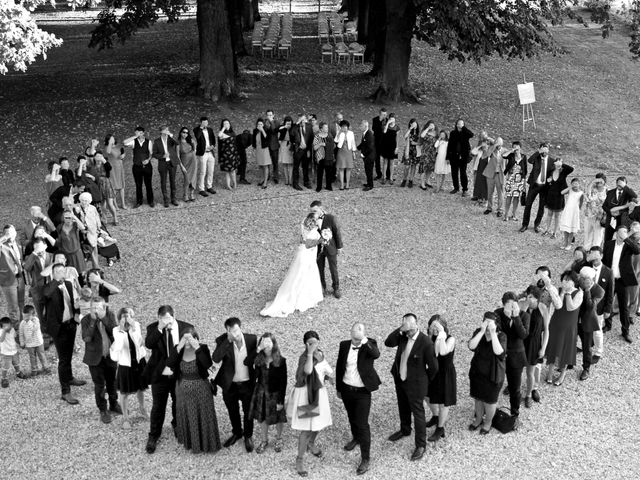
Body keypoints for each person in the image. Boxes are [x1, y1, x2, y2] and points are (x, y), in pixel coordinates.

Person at [385, 313, 438, 461]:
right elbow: (388, 342)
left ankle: (421, 445)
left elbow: (434, 367)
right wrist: (400, 329)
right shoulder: (402, 336)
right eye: (405, 325)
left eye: (410, 325)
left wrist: (424, 380)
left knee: (418, 414)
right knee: (403, 406)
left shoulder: (425, 342)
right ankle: (405, 429)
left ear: (417, 324)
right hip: (400, 379)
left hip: (416, 384)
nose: (408, 328)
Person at [143, 305, 193, 454]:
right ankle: (154, 435)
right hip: (160, 374)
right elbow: (149, 344)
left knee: (178, 402)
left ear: (174, 316)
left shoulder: (187, 327)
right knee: (158, 405)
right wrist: (160, 328)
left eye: (168, 319)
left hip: (178, 373)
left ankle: (177, 425)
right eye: (162, 319)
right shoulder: (153, 327)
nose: (166, 322)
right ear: (158, 318)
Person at [335, 322, 381, 475]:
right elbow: (339, 366)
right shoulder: (343, 345)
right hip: (347, 389)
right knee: (351, 417)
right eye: (353, 338)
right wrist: (339, 388)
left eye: (358, 339)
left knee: (362, 423)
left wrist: (364, 341)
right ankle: (356, 438)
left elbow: (376, 354)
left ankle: (365, 458)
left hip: (362, 392)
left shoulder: (369, 344)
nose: (355, 341)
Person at [286, 330, 333, 477]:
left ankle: (311, 444)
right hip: (307, 395)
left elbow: (322, 372)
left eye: (315, 342)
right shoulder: (304, 357)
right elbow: (307, 371)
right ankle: (299, 459)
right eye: (310, 343)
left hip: (319, 394)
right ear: (306, 344)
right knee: (306, 429)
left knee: (319, 424)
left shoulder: (321, 355)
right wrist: (310, 353)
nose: (313, 345)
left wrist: (329, 379)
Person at [168, 328, 221, 454]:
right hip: (182, 390)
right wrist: (179, 347)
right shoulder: (178, 349)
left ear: (196, 338)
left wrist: (197, 348)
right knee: (188, 415)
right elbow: (169, 363)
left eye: (190, 338)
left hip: (201, 389)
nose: (187, 342)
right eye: (184, 339)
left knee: (203, 415)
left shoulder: (202, 348)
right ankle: (192, 443)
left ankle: (207, 443)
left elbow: (208, 364)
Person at [260, 213, 324, 317]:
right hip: (306, 254)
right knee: (303, 275)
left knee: (301, 275)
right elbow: (308, 244)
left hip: (304, 253)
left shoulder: (304, 224)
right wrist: (320, 240)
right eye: (316, 219)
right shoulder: (312, 231)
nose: (318, 220)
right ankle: (302, 298)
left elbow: (302, 240)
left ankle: (304, 296)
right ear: (313, 221)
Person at [212, 317, 258, 452]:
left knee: (248, 411)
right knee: (233, 411)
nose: (235, 334)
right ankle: (237, 432)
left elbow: (256, 357)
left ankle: (248, 436)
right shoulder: (222, 341)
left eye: (236, 330)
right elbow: (216, 358)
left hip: (247, 383)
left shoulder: (251, 339)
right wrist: (228, 341)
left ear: (240, 328)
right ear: (227, 331)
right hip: (230, 384)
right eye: (231, 332)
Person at [44, 263, 84, 404]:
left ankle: (70, 377)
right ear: (54, 273)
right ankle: (65, 391)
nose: (63, 273)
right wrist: (56, 281)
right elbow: (45, 295)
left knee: (68, 355)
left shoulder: (68, 284)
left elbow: (75, 301)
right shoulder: (50, 287)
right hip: (58, 328)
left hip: (70, 324)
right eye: (59, 271)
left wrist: (77, 315)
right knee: (63, 359)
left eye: (63, 271)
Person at [81, 297, 121, 424]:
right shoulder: (86, 319)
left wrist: (103, 319)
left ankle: (114, 404)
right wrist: (93, 321)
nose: (95, 310)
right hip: (95, 359)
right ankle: (103, 409)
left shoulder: (110, 315)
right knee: (99, 385)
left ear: (104, 307)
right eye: (93, 307)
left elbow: (115, 333)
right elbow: (86, 338)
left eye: (98, 307)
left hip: (109, 356)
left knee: (112, 382)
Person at [467, 312, 506, 434]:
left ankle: (488, 422)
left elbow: (499, 352)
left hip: (493, 374)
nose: (488, 325)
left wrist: (493, 334)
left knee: (489, 401)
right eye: (486, 321)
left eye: (490, 322)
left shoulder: (501, 335)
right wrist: (481, 332)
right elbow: (471, 346)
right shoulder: (479, 332)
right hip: (478, 373)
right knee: (478, 398)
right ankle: (478, 419)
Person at [109, 307, 148, 429]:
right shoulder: (116, 330)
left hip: (138, 362)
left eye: (129, 316)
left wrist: (134, 328)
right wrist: (121, 330)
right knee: (124, 392)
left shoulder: (136, 325)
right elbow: (119, 346)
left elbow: (139, 342)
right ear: (119, 319)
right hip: (126, 365)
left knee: (141, 388)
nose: (127, 319)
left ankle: (142, 408)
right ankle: (125, 417)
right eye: (124, 317)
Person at [249, 333, 288, 454]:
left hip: (275, 394)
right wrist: (257, 350)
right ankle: (264, 440)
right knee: (262, 419)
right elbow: (247, 362)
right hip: (261, 393)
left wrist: (280, 401)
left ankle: (279, 438)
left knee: (279, 418)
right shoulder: (258, 359)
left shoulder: (281, 361)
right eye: (264, 342)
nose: (266, 345)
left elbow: (283, 382)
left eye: (269, 342)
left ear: (274, 344)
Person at [545, 270, 584, 385]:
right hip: (556, 322)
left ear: (574, 282)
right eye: (564, 279)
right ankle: (550, 372)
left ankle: (562, 374)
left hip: (569, 325)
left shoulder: (579, 293)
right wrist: (562, 293)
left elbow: (571, 307)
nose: (565, 282)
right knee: (553, 346)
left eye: (568, 280)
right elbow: (558, 306)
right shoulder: (559, 290)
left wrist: (567, 294)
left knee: (566, 349)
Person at [602, 224, 640, 343]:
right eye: (622, 231)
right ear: (617, 232)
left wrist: (627, 238)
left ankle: (625, 331)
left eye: (626, 231)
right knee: (607, 302)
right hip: (610, 279)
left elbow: (637, 250)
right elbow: (604, 261)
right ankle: (608, 325)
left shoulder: (628, 246)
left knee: (624, 307)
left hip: (622, 281)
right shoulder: (609, 244)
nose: (624, 232)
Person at [495, 292, 529, 418]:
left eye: (514, 305)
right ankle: (489, 410)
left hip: (516, 356)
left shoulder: (524, 316)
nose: (512, 308)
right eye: (509, 306)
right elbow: (496, 332)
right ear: (503, 305)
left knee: (515, 388)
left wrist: (516, 318)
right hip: (499, 356)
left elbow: (523, 335)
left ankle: (515, 413)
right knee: (495, 384)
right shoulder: (497, 313)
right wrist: (505, 316)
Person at [425, 315, 456, 442]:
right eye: (433, 326)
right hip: (432, 371)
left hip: (445, 373)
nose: (435, 329)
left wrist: (441, 335)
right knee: (426, 396)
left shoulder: (450, 339)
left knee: (443, 402)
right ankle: (435, 416)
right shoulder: (429, 338)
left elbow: (443, 352)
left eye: (438, 326)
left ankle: (440, 428)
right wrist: (430, 336)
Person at [522, 286, 549, 407]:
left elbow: (547, 330)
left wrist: (543, 348)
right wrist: (524, 307)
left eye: (531, 297)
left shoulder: (543, 308)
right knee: (516, 370)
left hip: (534, 343)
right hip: (521, 342)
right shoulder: (523, 306)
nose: (528, 299)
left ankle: (528, 395)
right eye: (527, 296)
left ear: (537, 298)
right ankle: (515, 390)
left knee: (530, 372)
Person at [311, 200, 343, 299]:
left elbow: (337, 232)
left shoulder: (331, 218)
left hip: (330, 247)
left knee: (333, 268)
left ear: (321, 208)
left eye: (315, 210)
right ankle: (322, 287)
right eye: (312, 211)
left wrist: (339, 246)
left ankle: (336, 288)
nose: (313, 213)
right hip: (318, 248)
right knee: (320, 269)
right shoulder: (312, 220)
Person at [519, 143, 555, 233]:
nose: (545, 151)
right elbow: (530, 160)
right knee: (528, 204)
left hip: (544, 186)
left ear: (548, 150)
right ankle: (525, 224)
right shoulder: (537, 158)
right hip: (534, 185)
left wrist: (551, 178)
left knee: (541, 207)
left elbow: (552, 172)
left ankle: (537, 225)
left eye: (546, 149)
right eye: (543, 149)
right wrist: (538, 152)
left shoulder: (551, 161)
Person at [577, 266, 604, 381]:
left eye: (584, 278)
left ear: (591, 279)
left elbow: (590, 306)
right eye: (581, 278)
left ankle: (586, 368)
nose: (581, 280)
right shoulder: (577, 283)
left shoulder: (599, 291)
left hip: (587, 321)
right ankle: (568, 363)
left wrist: (587, 290)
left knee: (586, 346)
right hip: (574, 319)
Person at [588, 246, 614, 362]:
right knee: (583, 327)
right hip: (585, 305)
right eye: (591, 255)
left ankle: (598, 351)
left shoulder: (608, 272)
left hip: (599, 307)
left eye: (596, 255)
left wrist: (608, 309)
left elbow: (610, 292)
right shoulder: (585, 268)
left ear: (601, 256)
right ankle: (584, 345)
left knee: (597, 330)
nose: (594, 258)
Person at [541, 158, 574, 239]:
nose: (559, 165)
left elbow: (571, 169)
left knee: (557, 215)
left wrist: (561, 164)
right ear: (554, 163)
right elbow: (546, 183)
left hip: (559, 197)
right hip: (550, 195)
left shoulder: (563, 172)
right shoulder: (550, 172)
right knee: (549, 214)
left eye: (560, 163)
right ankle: (547, 230)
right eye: (557, 163)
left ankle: (554, 232)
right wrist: (548, 182)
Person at [0, 225, 25, 330]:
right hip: (8, 279)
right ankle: (16, 328)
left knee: (21, 303)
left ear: (15, 232)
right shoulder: (2, 246)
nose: (10, 235)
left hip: (20, 277)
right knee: (13, 307)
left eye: (12, 232)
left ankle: (23, 324)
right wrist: (3, 238)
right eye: (7, 233)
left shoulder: (18, 244)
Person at [123, 126, 155, 208]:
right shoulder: (133, 141)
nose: (138, 134)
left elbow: (151, 153)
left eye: (139, 132)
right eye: (136, 133)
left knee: (148, 184)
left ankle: (150, 201)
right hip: (137, 166)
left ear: (143, 133)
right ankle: (139, 201)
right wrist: (135, 136)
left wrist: (148, 160)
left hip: (147, 166)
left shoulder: (149, 142)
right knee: (138, 185)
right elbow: (124, 143)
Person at [602, 176, 636, 242]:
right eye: (618, 183)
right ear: (616, 183)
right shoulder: (610, 192)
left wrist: (625, 187)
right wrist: (610, 212)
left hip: (622, 220)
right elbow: (604, 206)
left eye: (622, 184)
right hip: (610, 220)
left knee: (621, 240)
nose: (620, 185)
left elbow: (635, 196)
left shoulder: (628, 193)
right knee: (607, 240)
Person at [19, 305, 51, 376]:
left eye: (27, 316)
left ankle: (46, 367)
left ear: (33, 315)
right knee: (32, 357)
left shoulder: (36, 321)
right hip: (29, 344)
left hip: (38, 343)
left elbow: (33, 329)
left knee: (42, 355)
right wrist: (22, 342)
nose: (25, 318)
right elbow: (21, 334)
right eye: (24, 316)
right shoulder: (22, 323)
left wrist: (29, 321)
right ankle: (34, 370)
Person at [152, 126, 179, 207]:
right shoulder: (157, 141)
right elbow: (154, 154)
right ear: (161, 131)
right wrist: (162, 156)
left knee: (173, 181)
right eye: (166, 130)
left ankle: (173, 199)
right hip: (163, 164)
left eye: (168, 129)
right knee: (163, 182)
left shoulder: (170, 139)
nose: (168, 131)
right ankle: (166, 200)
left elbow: (177, 144)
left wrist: (171, 136)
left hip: (172, 163)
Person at [446, 118, 474, 196]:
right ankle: (456, 187)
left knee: (463, 173)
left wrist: (463, 128)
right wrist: (447, 157)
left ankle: (464, 189)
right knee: (454, 173)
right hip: (454, 156)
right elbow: (450, 145)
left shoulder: (465, 133)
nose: (460, 125)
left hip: (463, 156)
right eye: (458, 123)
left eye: (462, 124)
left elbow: (471, 135)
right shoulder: (453, 133)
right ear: (456, 124)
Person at [502, 141, 528, 221]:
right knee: (509, 197)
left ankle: (514, 214)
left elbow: (525, 169)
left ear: (520, 147)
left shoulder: (524, 157)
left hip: (519, 180)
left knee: (516, 198)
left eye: (517, 146)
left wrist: (524, 181)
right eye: (514, 146)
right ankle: (506, 214)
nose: (516, 148)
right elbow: (503, 155)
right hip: (511, 179)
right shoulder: (511, 155)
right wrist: (511, 150)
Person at [0, 316, 28, 387]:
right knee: (5, 366)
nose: (8, 328)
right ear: (1, 327)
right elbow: (1, 339)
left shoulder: (12, 330)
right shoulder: (1, 332)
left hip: (14, 351)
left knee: (16, 363)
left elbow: (15, 337)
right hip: (6, 353)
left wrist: (20, 342)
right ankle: (4, 378)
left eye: (9, 325)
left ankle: (18, 372)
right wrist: (4, 331)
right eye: (5, 326)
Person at [193, 116, 217, 197]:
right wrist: (201, 127)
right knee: (202, 171)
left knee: (211, 170)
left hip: (210, 152)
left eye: (206, 122)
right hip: (202, 153)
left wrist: (213, 146)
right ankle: (201, 189)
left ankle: (209, 186)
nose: (205, 124)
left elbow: (213, 139)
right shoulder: (196, 130)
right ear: (201, 122)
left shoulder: (210, 129)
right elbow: (198, 136)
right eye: (204, 122)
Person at [93, 151, 119, 224]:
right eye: (97, 156)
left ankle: (115, 217)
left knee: (110, 204)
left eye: (100, 156)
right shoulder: (93, 165)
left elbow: (109, 168)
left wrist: (103, 160)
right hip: (98, 185)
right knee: (102, 204)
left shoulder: (105, 163)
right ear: (94, 157)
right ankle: (104, 219)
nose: (98, 158)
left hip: (106, 184)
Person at [290, 113, 314, 191]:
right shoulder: (295, 127)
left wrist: (309, 150)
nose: (303, 121)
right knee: (296, 167)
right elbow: (291, 134)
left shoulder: (309, 126)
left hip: (306, 150)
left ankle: (306, 182)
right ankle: (295, 183)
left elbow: (311, 139)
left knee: (306, 167)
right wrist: (297, 123)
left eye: (304, 119)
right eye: (301, 119)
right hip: (298, 150)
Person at [482, 137, 505, 217]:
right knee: (490, 192)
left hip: (500, 174)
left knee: (500, 193)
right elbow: (486, 155)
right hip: (491, 173)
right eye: (497, 143)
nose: (499, 145)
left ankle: (500, 210)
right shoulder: (492, 149)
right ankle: (489, 207)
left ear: (502, 144)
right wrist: (494, 146)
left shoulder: (505, 151)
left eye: (500, 143)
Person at [559, 178, 584, 250]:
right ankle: (565, 243)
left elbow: (581, 204)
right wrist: (570, 187)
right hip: (567, 211)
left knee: (572, 229)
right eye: (573, 183)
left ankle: (569, 244)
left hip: (574, 212)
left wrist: (578, 211)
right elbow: (562, 192)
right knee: (566, 228)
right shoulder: (570, 190)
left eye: (577, 183)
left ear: (579, 184)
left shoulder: (581, 193)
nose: (575, 185)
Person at [583, 175, 607, 249]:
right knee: (588, 233)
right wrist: (593, 181)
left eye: (601, 181)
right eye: (597, 181)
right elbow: (587, 195)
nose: (599, 183)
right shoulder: (592, 189)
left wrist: (604, 214)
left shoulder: (607, 190)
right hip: (590, 214)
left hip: (600, 216)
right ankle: (586, 249)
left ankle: (595, 250)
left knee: (598, 235)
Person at [104, 134, 127, 210]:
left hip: (120, 167)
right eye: (110, 139)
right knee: (113, 186)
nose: (112, 140)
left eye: (113, 139)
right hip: (112, 168)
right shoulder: (107, 147)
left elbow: (121, 154)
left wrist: (123, 155)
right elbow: (108, 151)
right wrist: (110, 142)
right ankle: (115, 204)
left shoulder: (118, 146)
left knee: (121, 186)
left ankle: (123, 203)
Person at [218, 119, 241, 191]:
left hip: (233, 154)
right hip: (225, 155)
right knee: (227, 171)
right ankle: (228, 185)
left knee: (233, 170)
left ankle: (234, 184)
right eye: (224, 123)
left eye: (227, 123)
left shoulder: (232, 133)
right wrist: (224, 128)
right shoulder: (222, 133)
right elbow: (219, 135)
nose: (226, 124)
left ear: (230, 124)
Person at [334, 120, 357, 190]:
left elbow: (353, 143)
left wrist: (354, 152)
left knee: (348, 168)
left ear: (348, 127)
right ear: (341, 127)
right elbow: (336, 141)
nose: (345, 128)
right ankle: (341, 185)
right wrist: (339, 133)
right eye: (343, 126)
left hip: (349, 151)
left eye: (346, 126)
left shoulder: (351, 133)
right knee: (341, 168)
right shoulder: (339, 133)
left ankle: (347, 184)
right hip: (341, 152)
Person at [313, 122, 336, 192]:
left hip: (328, 157)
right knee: (320, 173)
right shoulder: (317, 136)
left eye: (327, 127)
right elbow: (314, 148)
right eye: (325, 127)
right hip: (320, 157)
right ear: (321, 129)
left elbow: (334, 146)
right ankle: (319, 187)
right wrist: (321, 144)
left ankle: (328, 186)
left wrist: (328, 145)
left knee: (328, 172)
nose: (327, 129)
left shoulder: (329, 136)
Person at [177, 127, 198, 202]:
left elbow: (195, 149)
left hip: (193, 161)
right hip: (185, 162)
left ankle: (192, 194)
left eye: (186, 133)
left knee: (193, 178)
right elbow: (177, 156)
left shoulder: (190, 140)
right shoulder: (178, 142)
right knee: (187, 179)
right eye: (183, 132)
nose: (185, 134)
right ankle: (185, 195)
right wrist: (181, 166)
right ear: (180, 133)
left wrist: (194, 152)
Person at [400, 119, 421, 188]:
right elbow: (405, 137)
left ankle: (411, 180)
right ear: (410, 124)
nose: (414, 125)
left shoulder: (418, 133)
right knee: (406, 166)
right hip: (408, 151)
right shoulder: (409, 131)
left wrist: (415, 143)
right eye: (413, 124)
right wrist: (410, 128)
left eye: (415, 124)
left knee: (413, 166)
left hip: (416, 151)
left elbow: (421, 142)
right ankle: (404, 179)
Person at [379, 114, 399, 185]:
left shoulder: (397, 127)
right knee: (385, 162)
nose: (391, 120)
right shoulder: (385, 125)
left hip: (393, 146)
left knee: (391, 162)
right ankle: (384, 177)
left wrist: (397, 147)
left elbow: (397, 138)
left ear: (395, 119)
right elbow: (384, 132)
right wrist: (388, 123)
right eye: (390, 118)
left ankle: (391, 177)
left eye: (393, 119)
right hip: (385, 146)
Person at [470, 137, 490, 204]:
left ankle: (485, 199)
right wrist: (480, 146)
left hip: (486, 171)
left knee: (485, 185)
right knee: (478, 184)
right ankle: (479, 198)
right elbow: (472, 152)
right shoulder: (480, 151)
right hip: (478, 170)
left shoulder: (489, 154)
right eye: (483, 145)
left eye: (486, 145)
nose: (484, 147)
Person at [253, 118, 271, 189]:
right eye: (258, 124)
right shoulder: (255, 131)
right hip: (258, 149)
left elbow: (267, 139)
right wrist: (254, 146)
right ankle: (262, 179)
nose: (259, 125)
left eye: (261, 124)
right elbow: (253, 140)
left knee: (265, 165)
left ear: (263, 125)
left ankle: (265, 182)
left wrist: (262, 130)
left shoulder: (267, 130)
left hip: (264, 149)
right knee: (260, 165)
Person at [358, 120, 376, 192]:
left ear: (365, 126)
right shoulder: (364, 133)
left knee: (369, 171)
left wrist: (363, 154)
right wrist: (357, 148)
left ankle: (370, 185)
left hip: (369, 156)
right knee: (367, 170)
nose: (360, 127)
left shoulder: (369, 134)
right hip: (367, 156)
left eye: (361, 126)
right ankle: (368, 183)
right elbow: (363, 143)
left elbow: (370, 147)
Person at [372, 108, 389, 180]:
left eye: (385, 114)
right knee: (377, 159)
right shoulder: (375, 119)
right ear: (380, 114)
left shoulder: (388, 121)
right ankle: (379, 174)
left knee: (386, 159)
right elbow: (374, 129)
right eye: (382, 114)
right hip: (377, 142)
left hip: (385, 142)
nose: (384, 116)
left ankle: (387, 175)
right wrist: (380, 120)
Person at [264, 109, 281, 184]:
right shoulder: (264, 122)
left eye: (270, 115)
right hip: (266, 145)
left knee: (275, 162)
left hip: (274, 145)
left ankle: (276, 177)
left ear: (273, 115)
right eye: (268, 115)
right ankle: (267, 176)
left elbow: (274, 131)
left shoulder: (276, 122)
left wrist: (271, 121)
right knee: (267, 162)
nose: (269, 116)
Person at [278, 117, 294, 186]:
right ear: (285, 123)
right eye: (287, 123)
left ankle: (290, 180)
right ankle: (286, 180)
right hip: (283, 145)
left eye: (290, 123)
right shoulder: (282, 128)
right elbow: (278, 131)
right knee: (284, 163)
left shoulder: (293, 128)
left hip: (290, 145)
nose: (289, 125)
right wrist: (285, 127)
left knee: (290, 163)